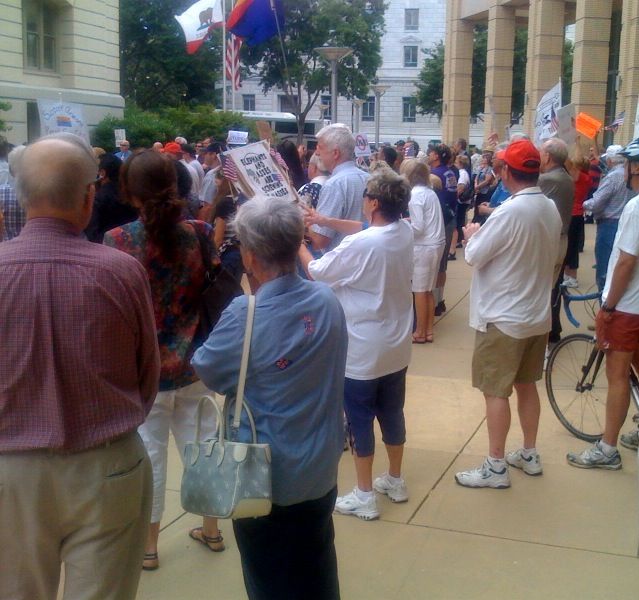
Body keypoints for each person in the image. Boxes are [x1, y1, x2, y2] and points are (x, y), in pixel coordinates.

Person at [0, 133, 160, 599]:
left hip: (10, 471)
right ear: (89, 196)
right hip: (107, 465)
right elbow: (147, 375)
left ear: (22, 197)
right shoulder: (120, 272)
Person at [193, 197, 346, 600]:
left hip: (263, 478)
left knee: (269, 579)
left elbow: (208, 369)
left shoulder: (245, 313)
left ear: (249, 254)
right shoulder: (327, 300)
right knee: (318, 570)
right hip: (319, 468)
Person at [104, 150, 227, 571]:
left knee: (151, 457)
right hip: (196, 362)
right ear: (175, 184)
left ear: (128, 191)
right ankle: (212, 529)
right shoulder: (200, 232)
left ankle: (149, 546)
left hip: (145, 370)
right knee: (205, 447)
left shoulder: (118, 241)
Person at [300, 168, 414, 520]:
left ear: (374, 202)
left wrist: (299, 244)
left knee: (359, 419)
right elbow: (366, 229)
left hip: (364, 346)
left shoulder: (362, 244)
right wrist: (323, 220)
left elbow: (318, 271)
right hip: (396, 343)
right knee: (392, 412)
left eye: (366, 196)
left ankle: (364, 493)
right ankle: (395, 479)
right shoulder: (404, 231)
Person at [455, 139, 562, 489]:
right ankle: (529, 453)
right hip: (536, 314)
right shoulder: (549, 207)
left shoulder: (509, 211)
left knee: (495, 391)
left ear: (506, 173)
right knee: (527, 384)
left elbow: (474, 256)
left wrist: (471, 234)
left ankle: (496, 465)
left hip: (504, 316)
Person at [567, 136, 639, 470]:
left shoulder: (638, 206)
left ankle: (607, 448)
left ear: (638, 167)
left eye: (628, 163)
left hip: (628, 306)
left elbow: (626, 261)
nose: (624, 168)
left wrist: (608, 306)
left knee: (617, 378)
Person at [401, 158, 446, 343]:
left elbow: (418, 228)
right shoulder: (430, 192)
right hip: (437, 243)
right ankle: (428, 330)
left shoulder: (415, 195)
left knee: (419, 290)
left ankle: (419, 331)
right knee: (428, 290)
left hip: (424, 247)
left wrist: (401, 226)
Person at [308, 124, 368, 253]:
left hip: (341, 260)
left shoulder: (334, 185)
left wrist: (305, 222)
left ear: (335, 153)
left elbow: (320, 241)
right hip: (367, 258)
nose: (317, 153)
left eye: (320, 148)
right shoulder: (369, 178)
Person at [538, 137, 576, 347]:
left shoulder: (547, 179)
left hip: (550, 241)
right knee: (552, 288)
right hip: (560, 239)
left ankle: (543, 335)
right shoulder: (564, 176)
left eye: (541, 152)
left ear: (548, 157)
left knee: (544, 290)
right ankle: (552, 329)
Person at [583, 144, 633, 289]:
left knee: (605, 265)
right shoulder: (629, 175)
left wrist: (584, 203)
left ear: (610, 160)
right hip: (625, 221)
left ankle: (603, 295)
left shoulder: (612, 177)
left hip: (609, 224)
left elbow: (597, 202)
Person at [428, 143, 458, 315]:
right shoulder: (450, 172)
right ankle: (439, 301)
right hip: (449, 218)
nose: (429, 154)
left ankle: (432, 302)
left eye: (431, 152)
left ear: (436, 156)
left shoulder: (435, 174)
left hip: (438, 221)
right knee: (442, 265)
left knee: (433, 265)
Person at [85, 153, 138, 243]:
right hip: (132, 244)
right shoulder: (132, 194)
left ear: (102, 173)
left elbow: (92, 235)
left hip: (105, 246)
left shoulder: (98, 199)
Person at [563, 155, 592, 287]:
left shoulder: (580, 177)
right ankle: (569, 274)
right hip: (578, 214)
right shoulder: (587, 178)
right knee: (572, 246)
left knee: (569, 246)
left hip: (573, 213)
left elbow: (570, 167)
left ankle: (571, 276)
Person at [0, 145, 26, 241]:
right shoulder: (42, 195)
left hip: (4, 247)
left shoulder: (1, 192)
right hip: (33, 246)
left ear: (10, 170)